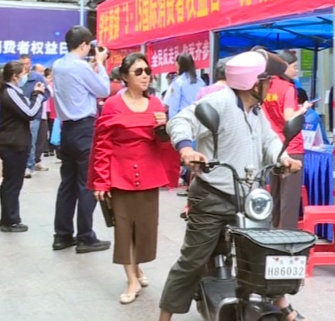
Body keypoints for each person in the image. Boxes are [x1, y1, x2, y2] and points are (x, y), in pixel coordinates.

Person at [158, 50, 305, 321]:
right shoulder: (221, 102)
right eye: (266, 80)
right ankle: (164, 317)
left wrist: (282, 157)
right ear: (252, 82)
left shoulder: (255, 110)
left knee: (264, 252)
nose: (270, 85)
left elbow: (270, 140)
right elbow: (180, 121)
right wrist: (187, 149)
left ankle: (282, 305)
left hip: (247, 197)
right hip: (212, 197)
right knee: (192, 261)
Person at [89, 53, 172, 305]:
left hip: (148, 174)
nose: (145, 75)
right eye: (138, 71)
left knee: (145, 229)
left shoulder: (157, 104)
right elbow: (103, 145)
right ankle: (131, 279)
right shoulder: (113, 105)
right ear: (125, 77)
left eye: (147, 70)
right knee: (124, 229)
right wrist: (101, 181)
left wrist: (163, 127)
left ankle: (137, 267)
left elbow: (163, 143)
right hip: (120, 174)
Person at [51, 26, 111, 253]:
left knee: (67, 184)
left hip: (67, 129)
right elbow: (103, 89)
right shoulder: (82, 66)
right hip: (85, 129)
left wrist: (93, 67)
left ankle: (62, 235)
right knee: (87, 185)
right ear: (85, 45)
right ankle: (86, 236)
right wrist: (101, 65)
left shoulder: (58, 66)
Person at [0, 61, 46, 232]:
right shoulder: (10, 92)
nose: (26, 77)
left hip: (12, 142)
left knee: (10, 182)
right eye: (24, 73)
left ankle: (6, 218)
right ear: (15, 77)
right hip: (13, 143)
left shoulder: (12, 92)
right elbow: (29, 113)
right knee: (13, 183)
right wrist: (38, 95)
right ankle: (11, 220)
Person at [263, 50, 310, 229]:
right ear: (284, 67)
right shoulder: (288, 88)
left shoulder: (267, 86)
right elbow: (289, 117)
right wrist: (303, 109)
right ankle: (287, 240)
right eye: (294, 67)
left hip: (274, 148)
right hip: (292, 147)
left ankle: (271, 234)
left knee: (274, 195)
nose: (296, 70)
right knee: (289, 200)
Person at [22, 62, 51, 177]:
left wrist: (36, 99)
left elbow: (46, 93)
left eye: (27, 63)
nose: (25, 66)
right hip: (20, 113)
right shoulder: (17, 77)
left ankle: (30, 165)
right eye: (23, 64)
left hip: (35, 114)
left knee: (32, 140)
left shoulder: (38, 78)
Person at [165, 52, 205, 118]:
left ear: (179, 65)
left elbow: (174, 107)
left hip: (184, 120)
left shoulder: (178, 82)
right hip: (198, 120)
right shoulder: (201, 82)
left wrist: (172, 123)